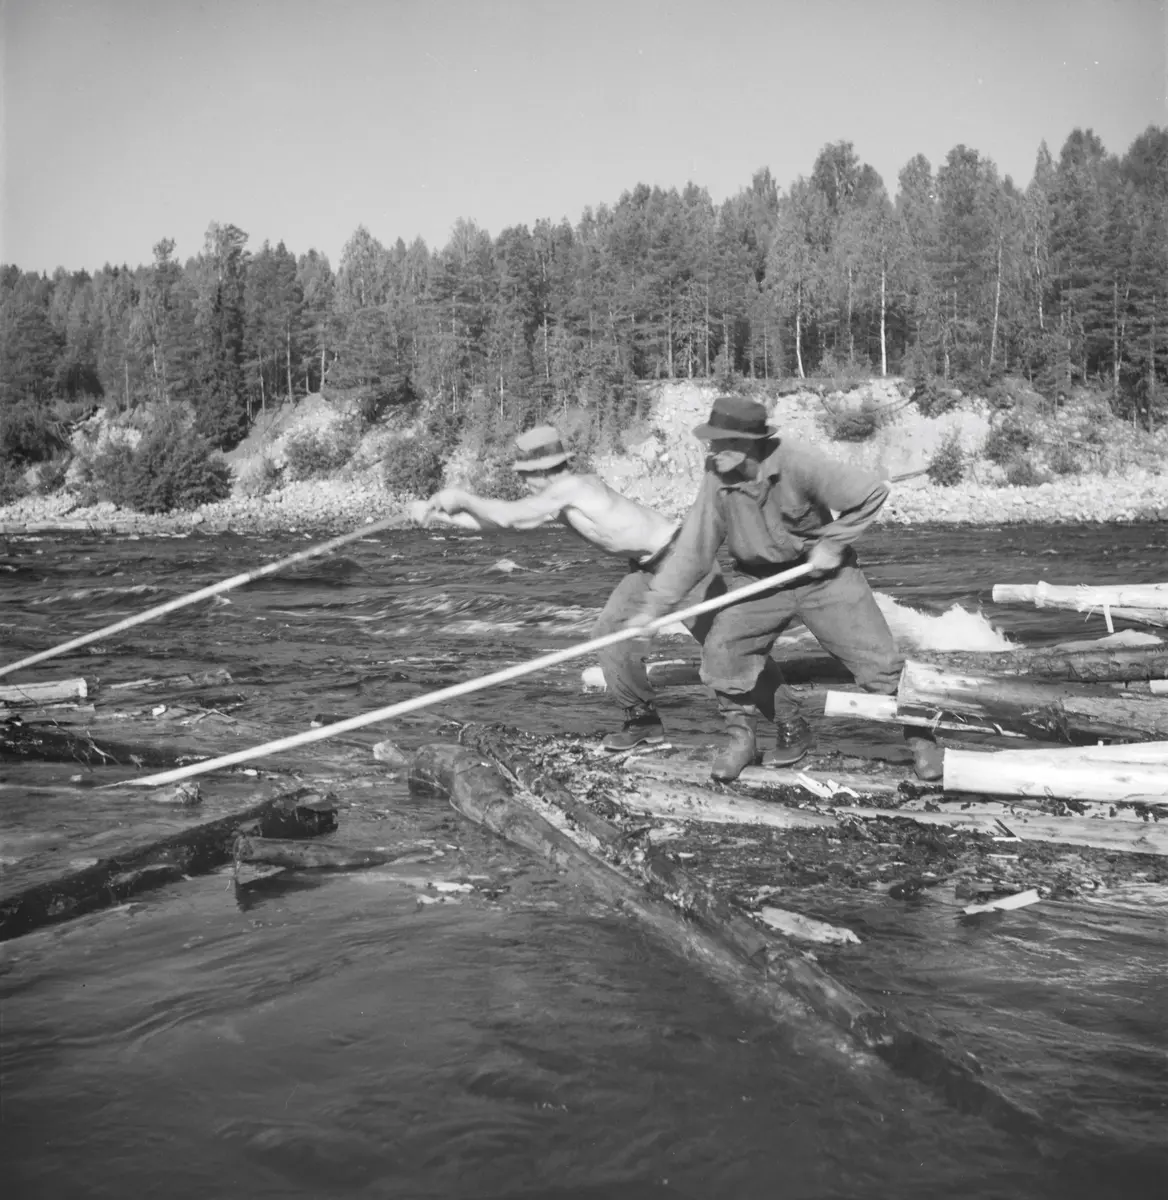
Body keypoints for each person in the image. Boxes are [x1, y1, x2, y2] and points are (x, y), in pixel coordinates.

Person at [625, 394, 944, 784]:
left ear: (752, 442)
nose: (713, 451)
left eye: (723, 442)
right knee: (723, 651)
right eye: (712, 441)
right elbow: (694, 547)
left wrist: (834, 542)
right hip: (759, 580)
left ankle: (923, 742)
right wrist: (656, 605)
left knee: (880, 665)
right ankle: (742, 740)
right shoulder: (717, 474)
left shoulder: (799, 461)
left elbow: (871, 493)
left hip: (824, 578)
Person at [419, 424, 727, 751]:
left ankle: (787, 717)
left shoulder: (574, 487)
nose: (523, 481)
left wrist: (462, 498)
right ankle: (642, 722)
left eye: (524, 474)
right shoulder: (559, 498)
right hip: (648, 567)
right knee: (610, 633)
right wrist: (438, 518)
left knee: (725, 645)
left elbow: (509, 515)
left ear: (540, 472)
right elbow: (504, 523)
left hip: (683, 557)